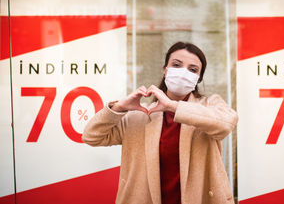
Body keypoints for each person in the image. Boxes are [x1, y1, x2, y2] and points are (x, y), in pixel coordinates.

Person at [82, 41, 238, 204]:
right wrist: (119, 107)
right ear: (165, 70)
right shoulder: (139, 115)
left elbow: (226, 124)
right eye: (176, 65)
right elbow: (91, 136)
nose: (183, 73)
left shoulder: (210, 105)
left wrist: (172, 106)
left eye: (192, 70)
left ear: (198, 78)